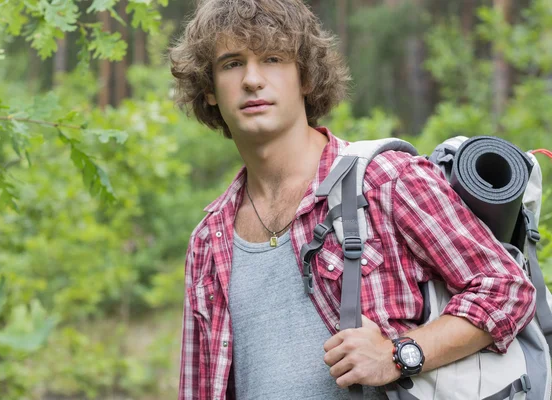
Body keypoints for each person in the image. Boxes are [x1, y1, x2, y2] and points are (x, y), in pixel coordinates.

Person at [169, 1, 537, 399]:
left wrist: (399, 355)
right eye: (231, 63)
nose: (252, 80)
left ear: (305, 77)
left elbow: (507, 289)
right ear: (208, 90)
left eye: (273, 58)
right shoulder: (209, 239)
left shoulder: (385, 179)